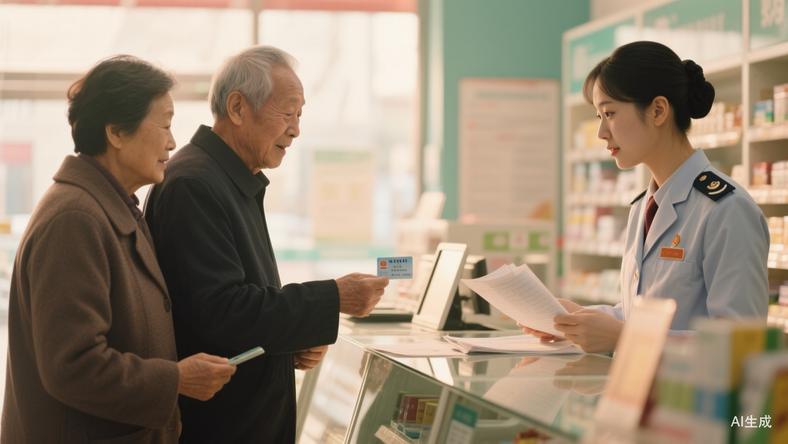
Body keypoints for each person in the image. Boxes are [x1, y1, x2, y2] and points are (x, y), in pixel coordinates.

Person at [144, 45, 389, 443]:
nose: (295, 129)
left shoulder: (232, 178)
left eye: (300, 116)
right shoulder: (195, 184)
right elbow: (222, 312)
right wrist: (334, 298)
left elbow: (239, 314)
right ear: (237, 108)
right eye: (287, 113)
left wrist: (286, 347)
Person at [1, 56, 237, 444]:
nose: (173, 142)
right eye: (164, 124)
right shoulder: (75, 218)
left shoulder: (114, 207)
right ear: (116, 131)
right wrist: (176, 379)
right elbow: (73, 366)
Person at [521, 41, 769, 353]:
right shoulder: (644, 207)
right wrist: (575, 319)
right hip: (638, 393)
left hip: (694, 400)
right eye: (598, 115)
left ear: (658, 110)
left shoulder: (727, 210)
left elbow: (741, 346)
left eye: (609, 113)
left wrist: (625, 339)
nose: (601, 132)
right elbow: (638, 315)